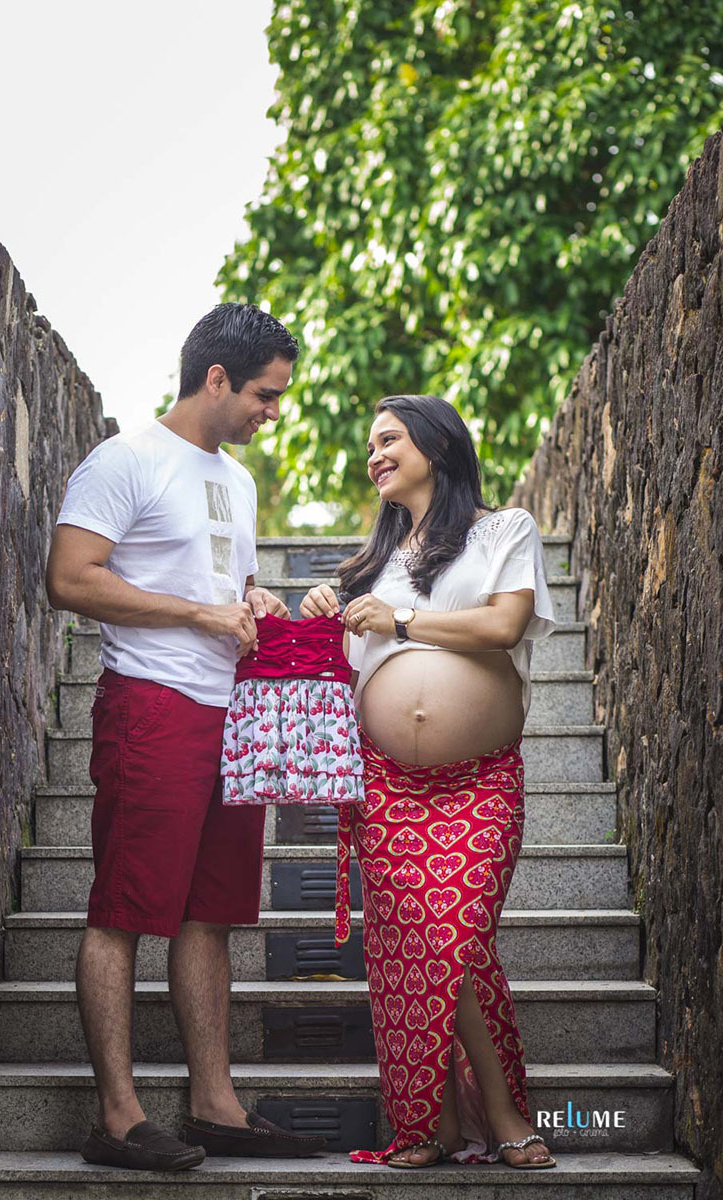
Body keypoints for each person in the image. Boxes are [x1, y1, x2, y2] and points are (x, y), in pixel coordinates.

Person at [46, 303, 327, 1172]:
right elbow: (70, 578)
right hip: (151, 706)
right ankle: (118, 1118)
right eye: (265, 395)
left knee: (212, 913)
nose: (272, 411)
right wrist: (196, 614)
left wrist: (252, 600)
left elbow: (226, 586)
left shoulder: (238, 481)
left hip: (230, 712)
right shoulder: (123, 460)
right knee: (124, 910)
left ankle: (215, 1106)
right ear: (215, 378)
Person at [300, 394, 558, 1170]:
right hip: (387, 787)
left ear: (437, 446)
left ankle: (504, 1113)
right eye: (369, 447)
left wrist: (402, 622)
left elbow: (504, 626)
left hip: (479, 781)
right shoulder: (369, 569)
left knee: (454, 936)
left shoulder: (503, 530)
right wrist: (320, 615)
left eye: (389, 440)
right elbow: (337, 673)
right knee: (410, 951)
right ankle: (430, 1123)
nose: (374, 456)